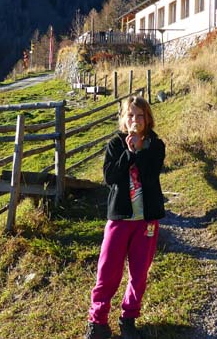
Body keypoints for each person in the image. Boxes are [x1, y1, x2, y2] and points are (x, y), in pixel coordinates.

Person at [85, 96, 166, 339]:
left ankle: (128, 319)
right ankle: (97, 322)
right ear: (123, 118)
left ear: (147, 119)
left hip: (146, 220)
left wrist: (139, 151)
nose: (135, 120)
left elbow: (151, 176)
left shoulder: (156, 145)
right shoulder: (115, 144)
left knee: (139, 273)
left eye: (139, 116)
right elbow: (110, 177)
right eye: (130, 115)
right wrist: (129, 152)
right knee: (107, 272)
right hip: (120, 220)